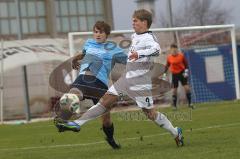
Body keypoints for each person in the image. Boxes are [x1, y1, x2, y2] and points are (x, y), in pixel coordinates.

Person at [55, 9, 184, 147]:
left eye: (135, 20)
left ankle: (175, 132)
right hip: (127, 78)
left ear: (144, 22)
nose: (132, 22)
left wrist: (139, 54)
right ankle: (76, 124)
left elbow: (156, 49)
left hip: (139, 83)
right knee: (104, 102)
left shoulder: (149, 38)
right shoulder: (135, 36)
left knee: (150, 113)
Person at [55, 21, 127, 149]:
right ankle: (64, 121)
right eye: (95, 31)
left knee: (106, 119)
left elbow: (128, 60)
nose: (98, 34)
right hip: (83, 79)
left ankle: (110, 139)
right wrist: (75, 58)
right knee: (72, 95)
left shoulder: (114, 49)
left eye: (101, 32)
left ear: (107, 34)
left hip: (99, 84)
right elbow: (84, 53)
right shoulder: (89, 43)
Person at [162, 44, 194, 109]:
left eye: (175, 49)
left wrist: (186, 73)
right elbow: (167, 66)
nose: (174, 51)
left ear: (177, 49)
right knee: (174, 90)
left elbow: (186, 65)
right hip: (174, 74)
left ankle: (190, 103)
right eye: (173, 50)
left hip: (182, 73)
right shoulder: (169, 57)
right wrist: (164, 75)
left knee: (187, 88)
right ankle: (174, 105)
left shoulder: (181, 56)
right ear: (171, 50)